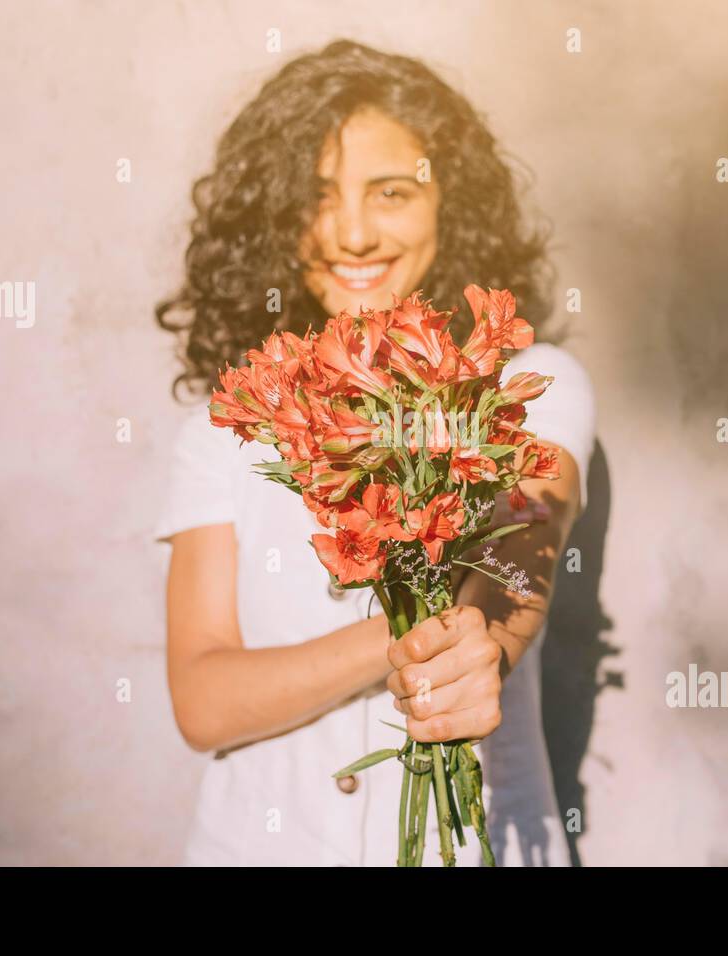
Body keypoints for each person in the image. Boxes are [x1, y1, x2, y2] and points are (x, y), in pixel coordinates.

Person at [153, 39, 595, 866]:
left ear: (448, 204)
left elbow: (530, 530)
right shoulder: (227, 426)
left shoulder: (531, 380)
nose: (352, 234)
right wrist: (414, 627)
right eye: (317, 199)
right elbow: (203, 703)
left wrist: (486, 645)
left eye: (391, 193)